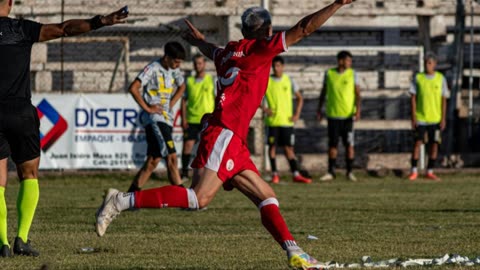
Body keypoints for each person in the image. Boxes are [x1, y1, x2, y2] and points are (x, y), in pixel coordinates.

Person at [96, 1, 353, 269]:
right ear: (267, 31)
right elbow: (304, 28)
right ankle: (121, 200)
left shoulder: (231, 51)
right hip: (225, 133)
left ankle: (294, 252)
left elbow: (212, 51)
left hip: (229, 136)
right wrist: (337, 4)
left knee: (266, 196)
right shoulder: (261, 50)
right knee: (198, 198)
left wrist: (200, 42)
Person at [0, 0, 127, 257]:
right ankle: (21, 238)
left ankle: (1, 243)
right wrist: (99, 21)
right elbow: (64, 28)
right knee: (29, 174)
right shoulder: (21, 28)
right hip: (20, 111)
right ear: (11, 3)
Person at [126, 42, 187, 193]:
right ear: (167, 57)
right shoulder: (152, 68)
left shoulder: (174, 70)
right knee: (171, 157)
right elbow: (133, 88)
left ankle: (128, 198)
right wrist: (148, 108)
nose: (178, 65)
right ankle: (185, 198)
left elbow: (182, 86)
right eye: (176, 61)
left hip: (166, 118)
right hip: (155, 119)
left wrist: (171, 103)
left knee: (153, 161)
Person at [262, 56, 311, 184]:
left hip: (286, 122)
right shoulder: (266, 81)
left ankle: (295, 174)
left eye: (278, 66)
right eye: (274, 66)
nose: (276, 68)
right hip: (272, 122)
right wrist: (264, 108)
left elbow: (300, 98)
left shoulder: (289, 80)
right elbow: (254, 96)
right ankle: (275, 174)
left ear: (282, 67)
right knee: (272, 148)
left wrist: (297, 114)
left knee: (288, 148)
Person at [317, 51, 361, 182]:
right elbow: (323, 92)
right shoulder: (329, 74)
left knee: (349, 145)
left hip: (348, 116)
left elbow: (358, 94)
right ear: (340, 61)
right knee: (333, 145)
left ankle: (350, 172)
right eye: (348, 60)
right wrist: (319, 109)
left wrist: (358, 110)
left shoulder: (353, 74)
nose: (350, 63)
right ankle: (331, 171)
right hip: (333, 115)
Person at [408, 52, 449, 181]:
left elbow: (444, 100)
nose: (427, 65)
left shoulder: (441, 79)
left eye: (430, 63)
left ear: (435, 64)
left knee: (434, 144)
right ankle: (414, 171)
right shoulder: (418, 78)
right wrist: (413, 117)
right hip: (421, 118)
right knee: (417, 143)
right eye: (426, 62)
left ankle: (429, 171)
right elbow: (413, 99)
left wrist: (443, 118)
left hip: (435, 118)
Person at [180, 54, 215, 180]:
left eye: (200, 63)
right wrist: (183, 118)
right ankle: (184, 173)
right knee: (188, 145)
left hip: (208, 119)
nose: (198, 65)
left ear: (204, 64)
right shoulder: (189, 81)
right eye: (195, 63)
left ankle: (208, 174)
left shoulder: (211, 80)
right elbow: (184, 101)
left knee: (209, 147)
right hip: (192, 119)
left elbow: (217, 99)